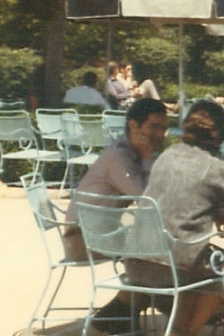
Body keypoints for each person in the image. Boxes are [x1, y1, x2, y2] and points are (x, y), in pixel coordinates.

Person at [141, 101, 224, 336]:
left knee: (200, 257)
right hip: (175, 268)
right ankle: (184, 333)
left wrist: (214, 207)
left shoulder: (166, 156)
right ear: (221, 136)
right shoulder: (214, 167)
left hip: (138, 260)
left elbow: (183, 196)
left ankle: (185, 322)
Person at [61, 96, 168, 319]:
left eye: (164, 128)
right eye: (154, 127)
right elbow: (146, 198)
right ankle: (120, 316)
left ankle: (120, 314)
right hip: (82, 240)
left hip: (100, 234)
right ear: (133, 126)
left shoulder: (131, 154)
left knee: (162, 250)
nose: (160, 134)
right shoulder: (119, 157)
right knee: (163, 254)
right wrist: (149, 158)